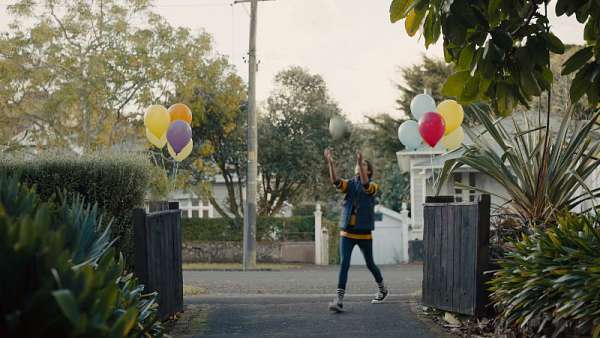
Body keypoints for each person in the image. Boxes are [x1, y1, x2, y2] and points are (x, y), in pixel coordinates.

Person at [324, 148, 389, 313]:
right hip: (347, 233)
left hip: (364, 234)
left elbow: (366, 185)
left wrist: (360, 162)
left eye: (364, 165)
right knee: (344, 264)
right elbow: (335, 181)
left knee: (370, 264)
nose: (359, 166)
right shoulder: (350, 185)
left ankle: (382, 289)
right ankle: (338, 300)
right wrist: (330, 162)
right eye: (359, 164)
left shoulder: (373, 186)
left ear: (368, 170)